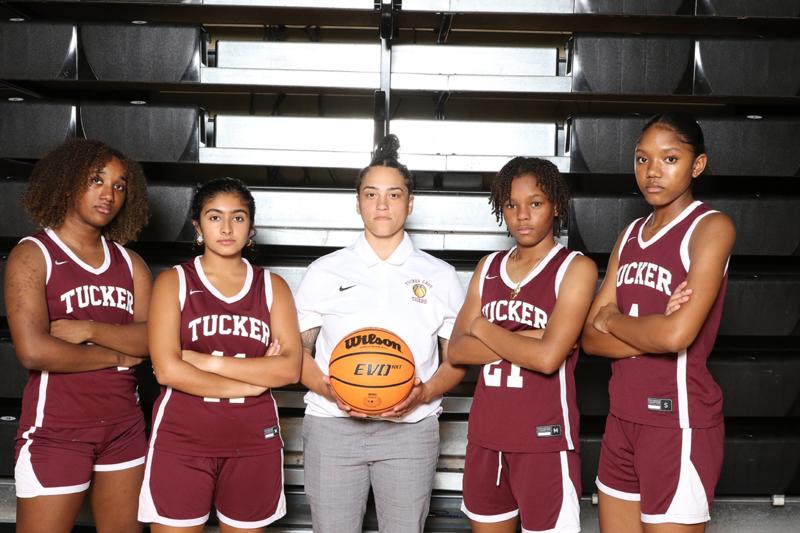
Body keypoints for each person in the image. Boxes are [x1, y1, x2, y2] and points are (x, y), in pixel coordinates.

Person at [294, 134, 467, 533]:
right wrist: (330, 392)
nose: (382, 205)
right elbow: (297, 353)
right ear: (358, 203)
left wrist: (423, 393)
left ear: (411, 203)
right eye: (371, 194)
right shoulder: (325, 271)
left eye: (394, 194)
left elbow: (457, 359)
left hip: (411, 429)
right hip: (332, 425)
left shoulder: (440, 275)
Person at [582, 111, 735, 532]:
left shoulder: (710, 227)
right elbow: (590, 339)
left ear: (697, 165)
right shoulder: (630, 234)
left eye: (669, 159)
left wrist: (612, 319)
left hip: (677, 422)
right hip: (621, 418)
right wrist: (655, 327)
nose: (652, 171)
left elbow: (677, 335)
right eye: (642, 158)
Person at [138, 177, 302, 532]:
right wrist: (253, 382)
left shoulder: (273, 287)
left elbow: (289, 369)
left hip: (254, 441)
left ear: (251, 227)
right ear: (198, 226)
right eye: (214, 217)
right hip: (182, 441)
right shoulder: (173, 282)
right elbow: (167, 370)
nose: (227, 228)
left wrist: (205, 361)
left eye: (238, 217)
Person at [4, 139, 151, 533]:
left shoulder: (130, 263)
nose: (109, 194)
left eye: (119, 185)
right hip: (57, 430)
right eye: (96, 180)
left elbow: (151, 340)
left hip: (124, 428)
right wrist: (117, 355)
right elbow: (34, 351)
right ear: (68, 183)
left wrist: (88, 330)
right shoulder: (33, 254)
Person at [448, 157, 597, 533]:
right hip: (485, 438)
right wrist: (529, 337)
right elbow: (457, 350)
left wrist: (481, 327)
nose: (522, 215)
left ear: (556, 206)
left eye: (535, 203)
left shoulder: (575, 268)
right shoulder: (488, 267)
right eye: (511, 205)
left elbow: (547, 359)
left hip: (544, 440)